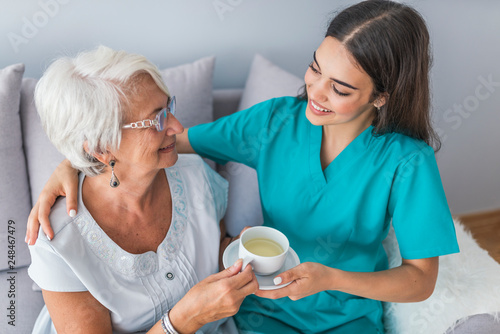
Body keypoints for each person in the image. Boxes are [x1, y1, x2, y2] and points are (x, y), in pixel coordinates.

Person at [27, 1, 460, 333]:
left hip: (347, 317)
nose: (315, 90)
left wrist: (331, 278)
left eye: (340, 88)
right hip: (262, 309)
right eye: (315, 67)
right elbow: (162, 141)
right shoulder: (274, 123)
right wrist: (77, 162)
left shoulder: (407, 162)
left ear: (381, 96)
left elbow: (420, 281)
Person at [26, 45, 258, 334]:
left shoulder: (194, 173)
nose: (176, 126)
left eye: (169, 107)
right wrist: (185, 320)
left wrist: (235, 254)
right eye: (157, 119)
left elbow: (214, 247)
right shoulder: (56, 239)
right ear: (101, 146)